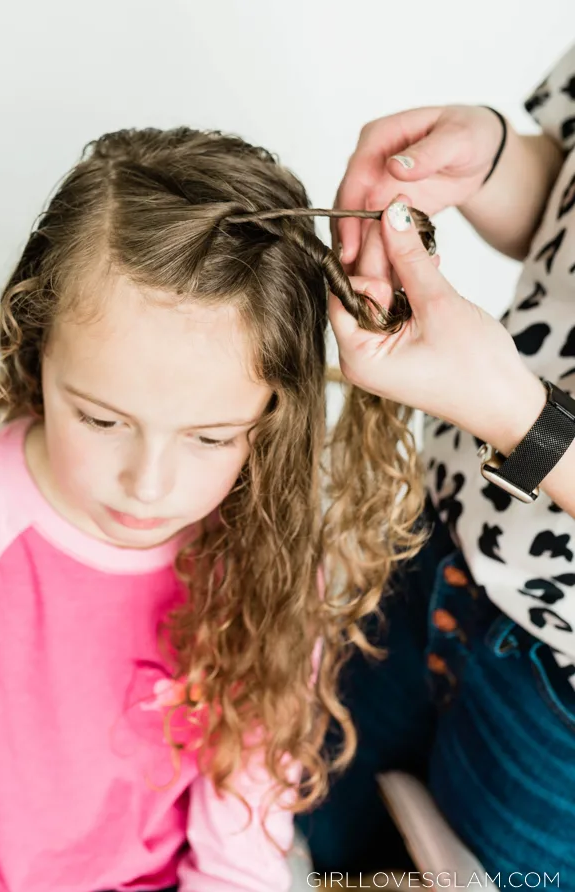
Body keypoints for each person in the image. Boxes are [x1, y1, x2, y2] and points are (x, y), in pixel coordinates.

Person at [0, 125, 434, 892]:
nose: (149, 483)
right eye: (102, 420)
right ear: (37, 348)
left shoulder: (267, 558)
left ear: (271, 418)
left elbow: (240, 851)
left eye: (209, 437)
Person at [297, 42, 575, 883]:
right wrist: (487, 161)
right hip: (434, 543)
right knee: (321, 836)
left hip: (555, 699)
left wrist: (517, 417)